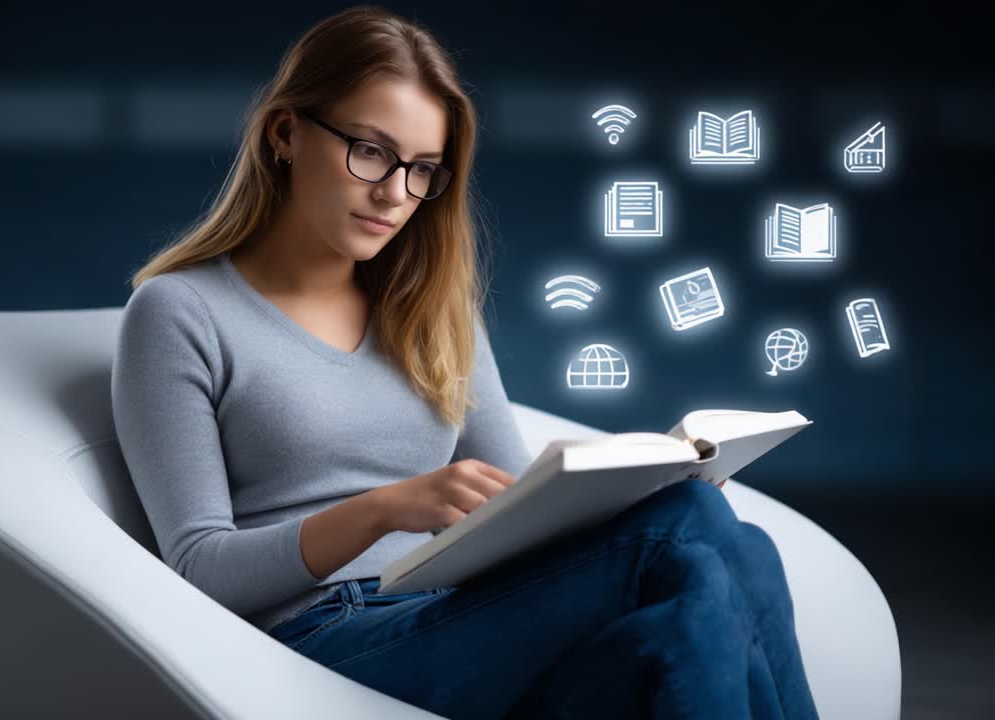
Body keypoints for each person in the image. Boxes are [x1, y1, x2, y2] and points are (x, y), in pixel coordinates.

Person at [110, 5, 820, 718]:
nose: (393, 193)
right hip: (321, 634)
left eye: (422, 171)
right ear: (286, 133)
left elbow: (516, 514)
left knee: (709, 583)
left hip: (460, 609)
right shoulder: (180, 313)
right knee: (690, 525)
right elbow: (199, 567)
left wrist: (643, 492)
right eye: (369, 151)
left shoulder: (430, 311)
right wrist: (385, 509)